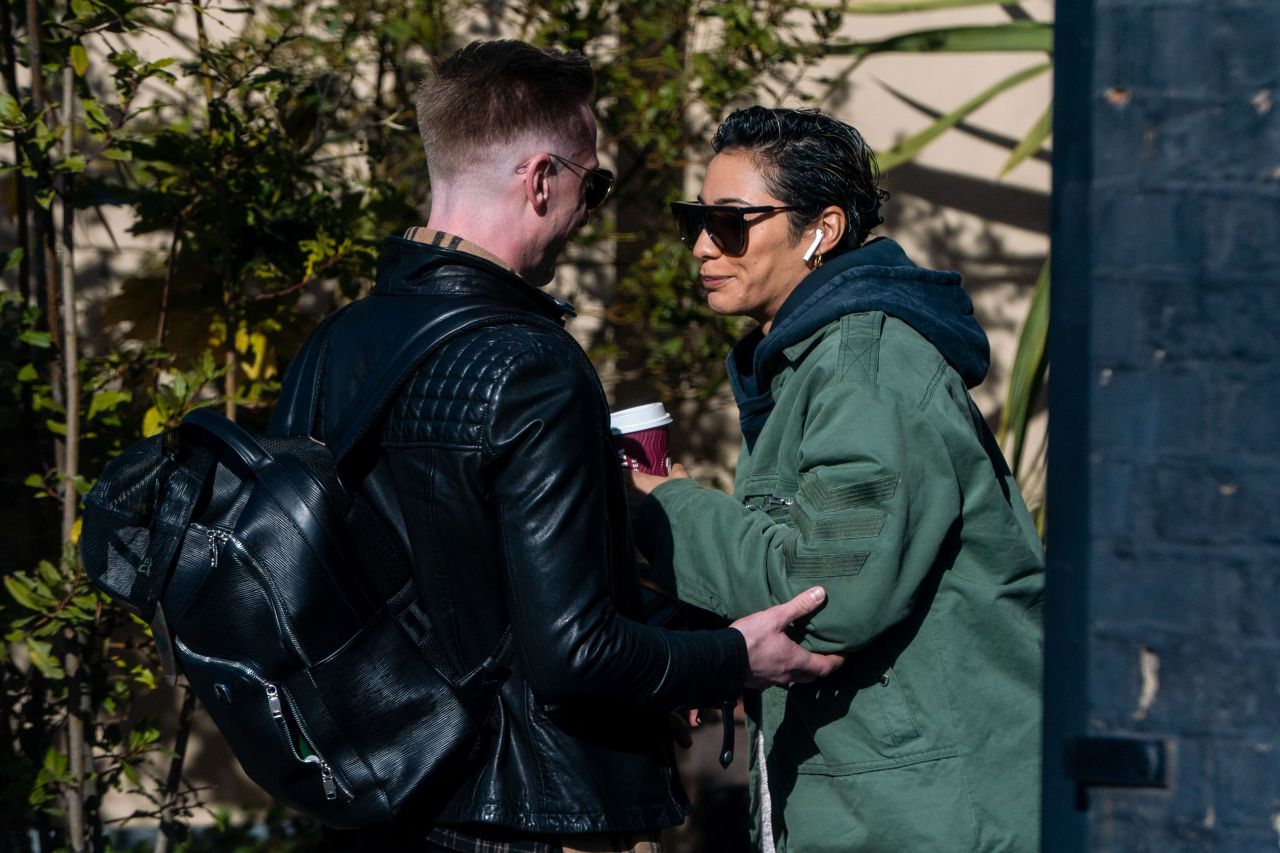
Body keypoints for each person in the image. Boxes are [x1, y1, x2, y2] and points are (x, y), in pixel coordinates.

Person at [278, 43, 842, 853]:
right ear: (542, 178)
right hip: (536, 814)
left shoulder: (332, 349)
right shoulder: (531, 365)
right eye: (594, 183)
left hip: (374, 803)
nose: (589, 208)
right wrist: (730, 654)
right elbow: (575, 653)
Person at [629, 107, 1045, 852]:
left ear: (820, 228)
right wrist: (726, 643)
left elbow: (826, 594)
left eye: (731, 223)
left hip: (929, 811)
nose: (699, 245)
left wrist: (663, 510)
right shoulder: (811, 363)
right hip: (885, 794)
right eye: (694, 219)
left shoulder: (868, 370)